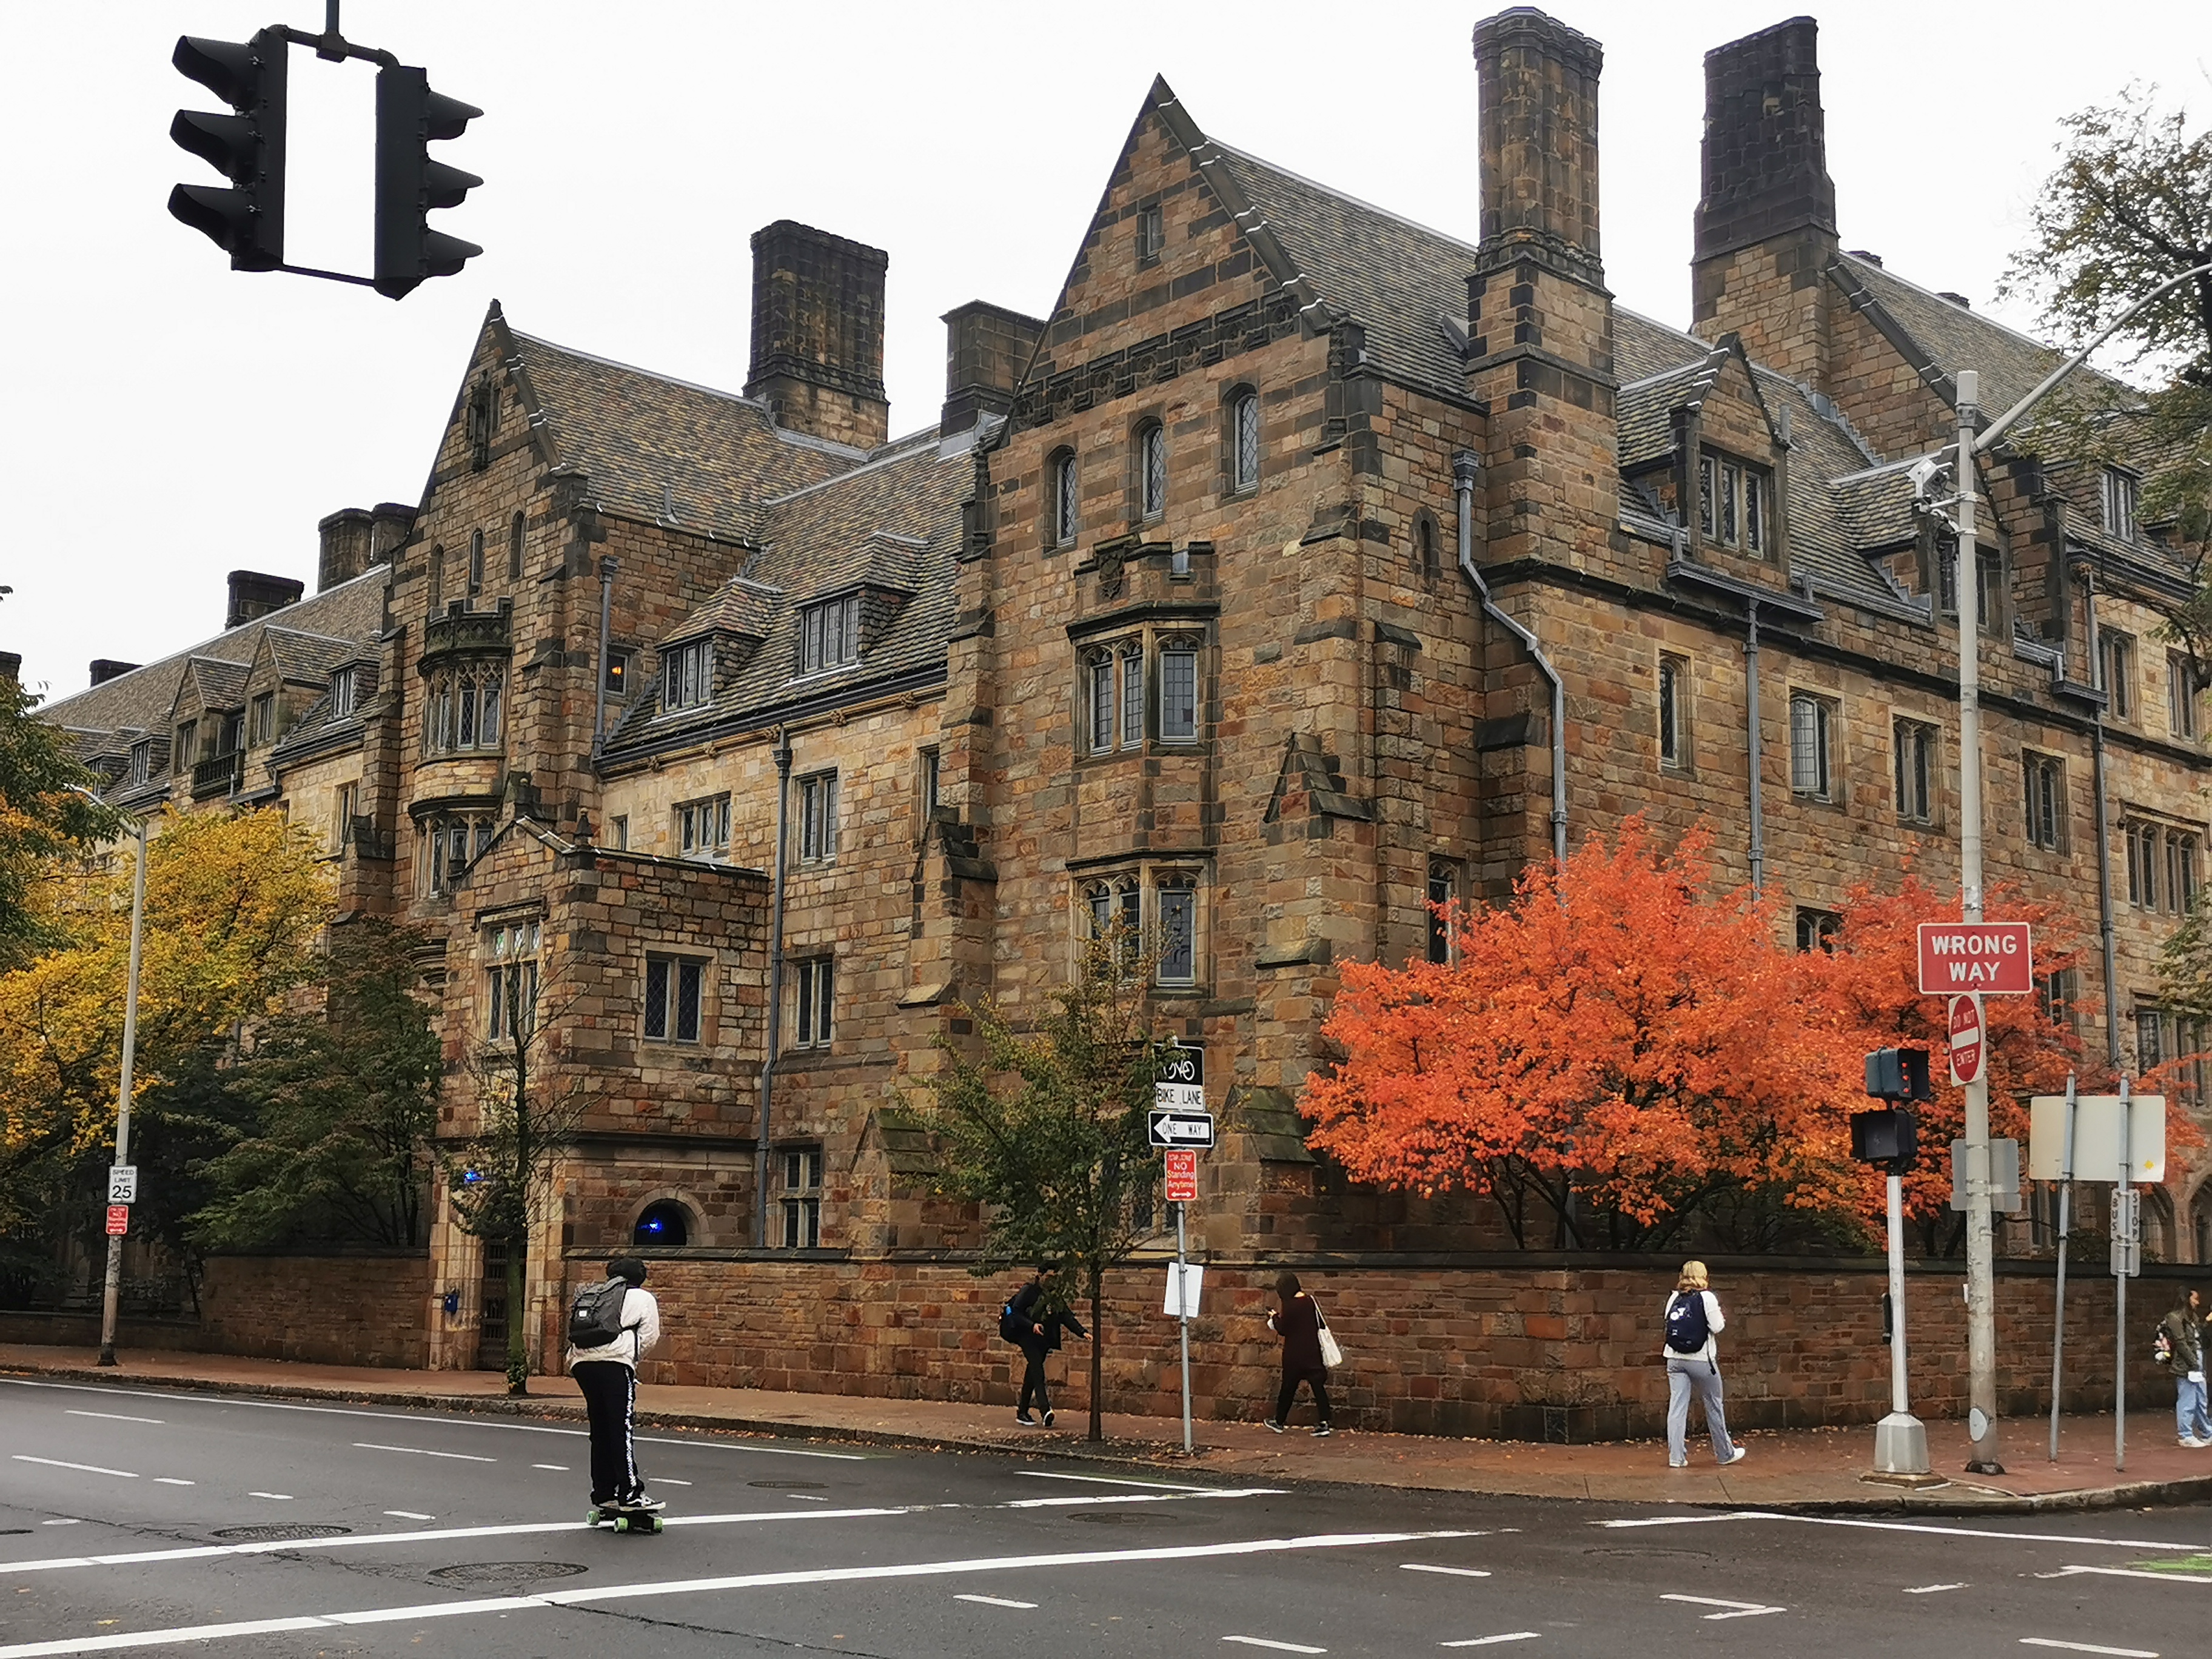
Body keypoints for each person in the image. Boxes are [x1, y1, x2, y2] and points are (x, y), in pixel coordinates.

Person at [566, 1255, 662, 1511]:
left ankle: (603, 1491)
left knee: (601, 1429)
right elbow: (650, 1336)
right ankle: (631, 1493)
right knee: (621, 1428)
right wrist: (631, 1356)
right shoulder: (643, 1298)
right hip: (616, 1364)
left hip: (582, 1364)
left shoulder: (593, 1294)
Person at [1662, 1259, 1744, 1469]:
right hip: (1701, 1360)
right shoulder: (1707, 1298)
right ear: (1704, 1275)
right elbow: (1717, 1327)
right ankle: (1725, 1453)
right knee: (1714, 1405)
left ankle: (1676, 1458)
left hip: (1674, 1359)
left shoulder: (1674, 1298)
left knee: (1677, 1407)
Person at [1005, 1264, 1086, 1427]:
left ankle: (1022, 1412)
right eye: (1049, 1277)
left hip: (1043, 1339)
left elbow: (1066, 1316)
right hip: (1026, 1336)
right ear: (1040, 1275)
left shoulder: (1054, 1296)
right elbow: (1015, 1312)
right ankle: (1045, 1410)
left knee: (1032, 1373)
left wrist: (1083, 1332)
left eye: (1055, 1278)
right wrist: (1031, 1325)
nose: (1052, 1281)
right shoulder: (1029, 1291)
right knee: (1037, 1370)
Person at [1264, 1272, 1333, 1436]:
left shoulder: (1290, 1305)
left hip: (1294, 1356)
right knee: (1318, 1388)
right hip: (1313, 1353)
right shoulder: (1310, 1301)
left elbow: (1284, 1329)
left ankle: (1279, 1422)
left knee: (1288, 1389)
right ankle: (1324, 1423)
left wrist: (1274, 1317)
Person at [2159, 1285, 2210, 1447]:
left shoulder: (2191, 1317)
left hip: (2197, 1359)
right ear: (2186, 1299)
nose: (2197, 1302)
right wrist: (2193, 1362)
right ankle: (2186, 1435)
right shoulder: (2174, 1318)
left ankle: (2207, 1431)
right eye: (2194, 1299)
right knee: (2188, 1399)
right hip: (2185, 1364)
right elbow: (2181, 1343)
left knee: (2201, 1399)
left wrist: (2207, 1321)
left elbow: (2196, 1337)